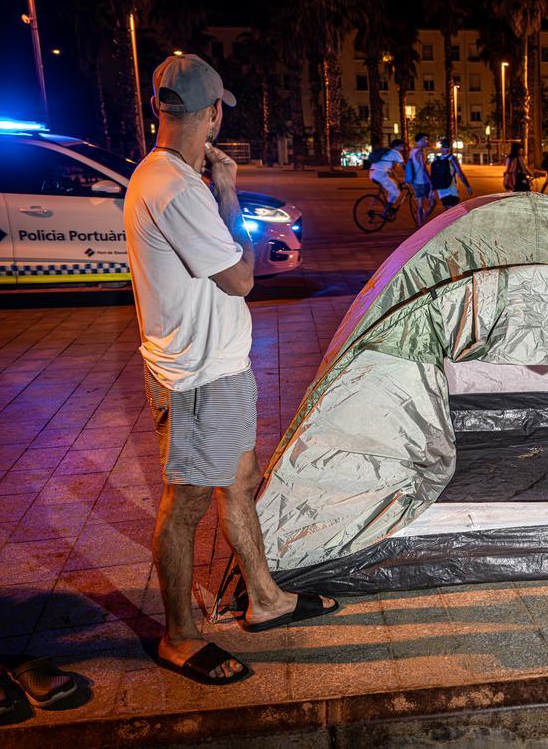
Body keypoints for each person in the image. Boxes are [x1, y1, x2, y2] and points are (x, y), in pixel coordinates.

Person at [123, 55, 337, 686]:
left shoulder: (167, 177)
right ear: (212, 114)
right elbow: (242, 277)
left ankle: (266, 599)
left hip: (217, 368)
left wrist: (221, 191)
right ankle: (180, 637)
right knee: (185, 503)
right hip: (194, 378)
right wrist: (230, 197)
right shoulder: (174, 188)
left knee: (238, 480)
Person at [430, 138, 473, 209]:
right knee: (453, 213)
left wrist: (431, 190)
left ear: (441, 147)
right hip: (451, 189)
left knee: (448, 211)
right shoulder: (452, 159)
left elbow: (433, 176)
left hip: (441, 191)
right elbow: (460, 174)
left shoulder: (436, 159)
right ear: (449, 148)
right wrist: (467, 186)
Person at [367, 139, 406, 214]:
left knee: (394, 185)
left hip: (373, 174)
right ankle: (385, 212)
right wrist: (410, 177)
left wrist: (399, 181)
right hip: (380, 175)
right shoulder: (396, 153)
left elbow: (391, 170)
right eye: (401, 146)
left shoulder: (386, 152)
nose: (402, 148)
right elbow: (404, 167)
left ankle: (389, 205)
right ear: (396, 146)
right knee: (396, 192)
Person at [405, 133, 433, 226]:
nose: (426, 141)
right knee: (433, 201)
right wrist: (430, 182)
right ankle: (423, 218)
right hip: (423, 181)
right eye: (425, 139)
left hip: (415, 182)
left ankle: (420, 224)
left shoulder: (412, 152)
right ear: (420, 140)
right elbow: (423, 168)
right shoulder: (420, 152)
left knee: (420, 204)